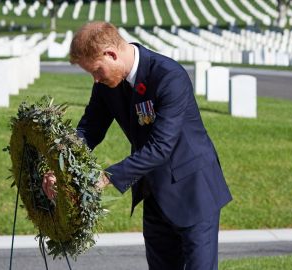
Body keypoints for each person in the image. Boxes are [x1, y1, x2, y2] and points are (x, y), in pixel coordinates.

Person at [43, 21, 232, 270]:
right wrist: (60, 164)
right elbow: (90, 129)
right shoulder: (105, 85)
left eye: (97, 70)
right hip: (154, 192)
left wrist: (105, 177)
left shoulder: (168, 76)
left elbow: (161, 146)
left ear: (111, 54)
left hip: (193, 191)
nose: (95, 79)